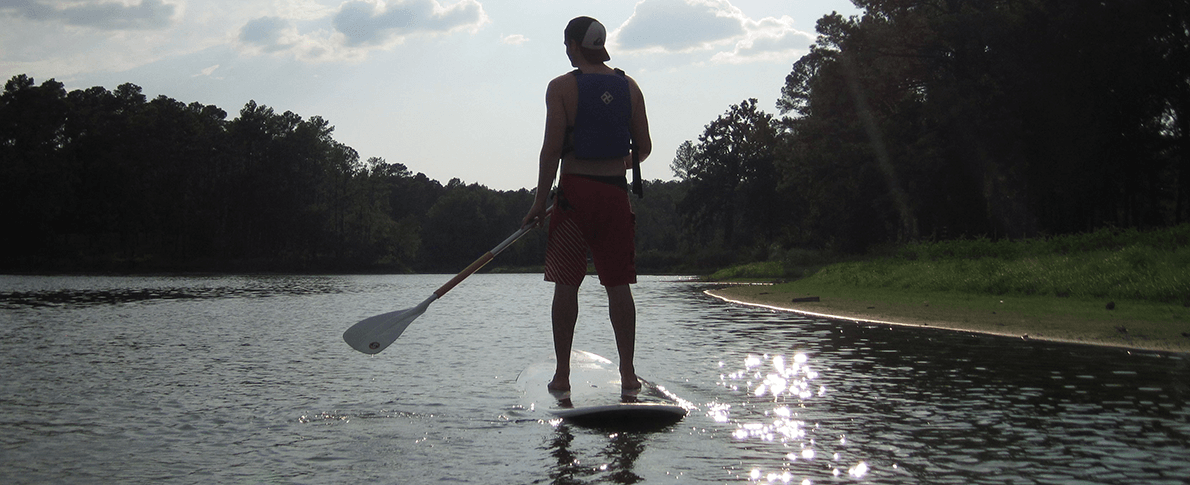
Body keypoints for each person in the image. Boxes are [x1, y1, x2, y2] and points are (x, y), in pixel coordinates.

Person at [522, 16, 652, 396]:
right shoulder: (630, 86)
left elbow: (551, 151)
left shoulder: (561, 88)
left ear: (575, 46)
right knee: (619, 287)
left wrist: (538, 202)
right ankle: (628, 375)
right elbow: (642, 148)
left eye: (567, 45)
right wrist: (615, 166)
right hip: (614, 196)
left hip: (574, 195)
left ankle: (562, 376)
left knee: (566, 285)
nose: (566, 51)